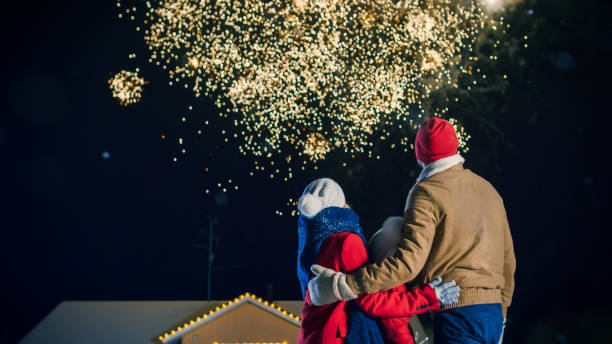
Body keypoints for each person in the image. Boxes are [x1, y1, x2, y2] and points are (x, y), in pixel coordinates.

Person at [307, 118, 517, 344]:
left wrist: (347, 285)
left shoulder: (427, 191)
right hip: (493, 314)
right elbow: (508, 261)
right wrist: (502, 314)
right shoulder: (489, 191)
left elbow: (408, 263)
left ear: (420, 153)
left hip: (457, 311)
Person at [296, 178, 459, 344]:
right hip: (337, 337)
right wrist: (428, 297)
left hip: (312, 334)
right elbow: (370, 298)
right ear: (341, 203)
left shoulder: (311, 243)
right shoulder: (347, 241)